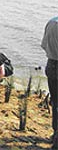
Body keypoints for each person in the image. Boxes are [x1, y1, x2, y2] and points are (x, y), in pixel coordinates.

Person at [41, 16, 58, 149]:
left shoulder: (51, 22)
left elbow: (44, 45)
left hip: (51, 65)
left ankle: (55, 134)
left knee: (56, 102)